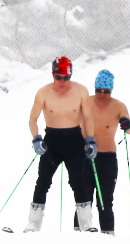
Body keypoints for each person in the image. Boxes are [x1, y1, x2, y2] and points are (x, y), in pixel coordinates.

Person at [23, 56, 98, 233]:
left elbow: (88, 117)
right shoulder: (43, 93)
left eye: (66, 77)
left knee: (79, 181)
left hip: (75, 141)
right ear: (52, 74)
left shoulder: (81, 91)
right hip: (52, 141)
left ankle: (85, 224)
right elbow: (33, 119)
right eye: (59, 77)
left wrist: (90, 139)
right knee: (43, 181)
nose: (63, 82)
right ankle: (33, 224)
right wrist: (36, 138)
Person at [85, 69, 130, 236]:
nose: (102, 94)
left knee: (105, 200)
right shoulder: (85, 102)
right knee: (83, 200)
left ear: (111, 90)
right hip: (86, 157)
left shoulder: (118, 106)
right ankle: (80, 235)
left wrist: (127, 124)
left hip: (107, 159)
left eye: (106, 91)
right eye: (98, 90)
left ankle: (108, 235)